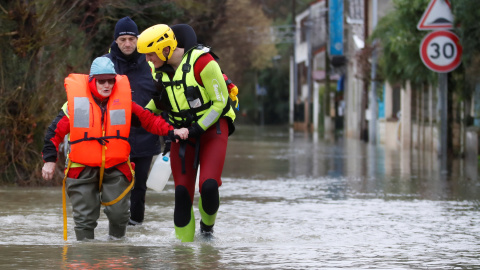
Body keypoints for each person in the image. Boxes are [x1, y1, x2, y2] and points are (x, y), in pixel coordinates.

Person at [41, 56, 188, 241]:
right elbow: (53, 133)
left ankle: (117, 255)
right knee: (84, 219)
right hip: (81, 168)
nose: (107, 85)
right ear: (92, 81)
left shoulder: (125, 102)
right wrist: (49, 160)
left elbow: (149, 120)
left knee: (120, 216)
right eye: (101, 81)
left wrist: (172, 131)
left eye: (111, 80)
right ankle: (86, 258)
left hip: (116, 167)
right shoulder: (74, 104)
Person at [137, 24, 236, 242]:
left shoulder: (204, 63)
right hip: (182, 134)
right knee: (182, 193)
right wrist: (141, 114)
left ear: (165, 49)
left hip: (212, 128)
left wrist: (196, 128)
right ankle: (183, 255)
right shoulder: (159, 70)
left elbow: (220, 103)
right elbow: (162, 99)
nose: (148, 60)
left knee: (208, 186)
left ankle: (207, 230)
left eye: (150, 54)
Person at [103, 16, 166, 226]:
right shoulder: (106, 64)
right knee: (115, 183)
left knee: (140, 185)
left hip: (146, 135)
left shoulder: (151, 62)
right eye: (123, 40)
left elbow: (164, 99)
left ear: (138, 39)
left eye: (131, 39)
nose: (128, 44)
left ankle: (137, 225)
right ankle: (116, 225)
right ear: (116, 41)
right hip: (114, 136)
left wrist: (169, 133)